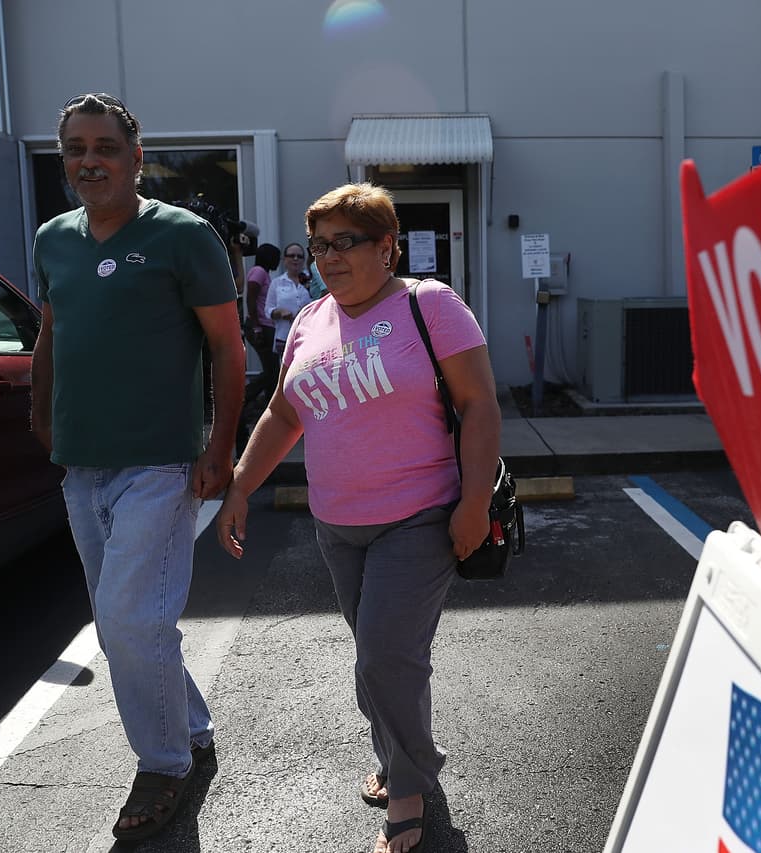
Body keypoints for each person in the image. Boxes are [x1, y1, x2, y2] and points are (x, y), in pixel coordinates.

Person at [215, 183, 500, 853]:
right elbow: (285, 414)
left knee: (383, 656)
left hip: (418, 518)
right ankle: (398, 754)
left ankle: (410, 789)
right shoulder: (311, 320)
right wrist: (238, 487)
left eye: (347, 243)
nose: (330, 258)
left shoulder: (429, 306)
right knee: (384, 659)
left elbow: (480, 405)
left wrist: (474, 503)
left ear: (386, 246)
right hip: (337, 524)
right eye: (320, 245)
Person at [30, 93, 245, 843]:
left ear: (136, 157)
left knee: (128, 619)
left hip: (159, 460)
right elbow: (52, 329)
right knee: (130, 620)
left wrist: (220, 448)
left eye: (105, 147)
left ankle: (166, 763)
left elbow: (226, 346)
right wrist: (40, 408)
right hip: (80, 463)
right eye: (74, 149)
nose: (89, 161)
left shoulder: (182, 236)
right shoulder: (53, 238)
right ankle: (191, 724)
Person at [242, 242, 282, 408]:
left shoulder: (264, 274)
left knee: (273, 371)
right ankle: (244, 399)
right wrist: (257, 328)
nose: (278, 261)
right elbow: (250, 299)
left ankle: (266, 403)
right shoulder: (259, 272)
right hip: (259, 327)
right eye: (276, 257)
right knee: (272, 371)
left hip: (266, 326)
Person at [263, 241, 314, 355]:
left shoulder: (312, 280)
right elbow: (268, 310)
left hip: (308, 336)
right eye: (291, 255)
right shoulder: (277, 283)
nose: (295, 259)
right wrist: (279, 312)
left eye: (299, 256)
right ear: (284, 259)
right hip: (284, 336)